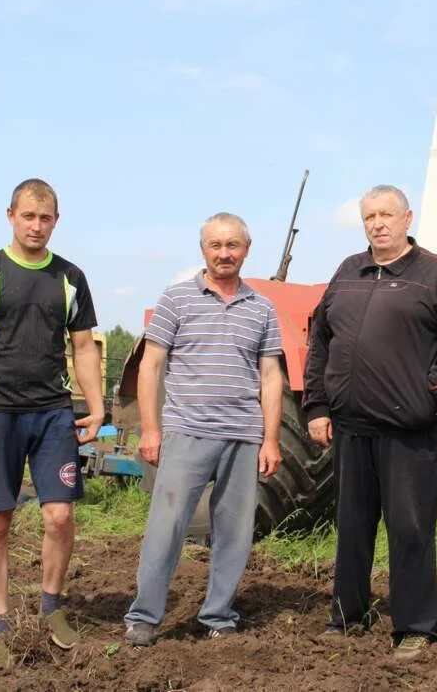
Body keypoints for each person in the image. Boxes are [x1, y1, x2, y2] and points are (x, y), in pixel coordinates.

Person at [303, 184, 437, 661]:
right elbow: (320, 340)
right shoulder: (347, 272)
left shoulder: (433, 273)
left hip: (408, 430)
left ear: (407, 218)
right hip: (351, 427)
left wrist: (429, 401)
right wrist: (317, 406)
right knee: (352, 525)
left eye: (386, 215)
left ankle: (415, 625)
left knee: (410, 527)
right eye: (369, 217)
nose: (377, 223)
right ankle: (346, 615)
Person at [0, 178, 104, 668]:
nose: (36, 226)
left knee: (59, 515)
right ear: (11, 216)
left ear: (56, 221)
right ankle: (0, 623)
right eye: (28, 217)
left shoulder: (70, 277)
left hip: (52, 413)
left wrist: (98, 406)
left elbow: (83, 347)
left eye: (45, 218)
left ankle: (51, 606)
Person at [124, 212, 283, 646]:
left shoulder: (263, 308)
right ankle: (144, 616)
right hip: (186, 431)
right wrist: (151, 430)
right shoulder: (176, 299)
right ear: (203, 250)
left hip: (243, 436)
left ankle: (218, 615)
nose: (224, 253)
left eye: (233, 245)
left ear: (246, 250)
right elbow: (151, 365)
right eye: (216, 245)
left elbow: (271, 376)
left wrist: (270, 439)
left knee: (234, 531)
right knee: (167, 525)